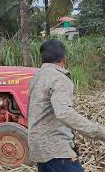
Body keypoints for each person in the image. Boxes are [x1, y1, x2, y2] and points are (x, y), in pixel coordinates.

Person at [28, 39, 105, 172]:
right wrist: (99, 132)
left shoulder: (36, 77)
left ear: (43, 59)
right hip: (57, 150)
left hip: (38, 148)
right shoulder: (59, 78)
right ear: (64, 58)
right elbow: (64, 112)